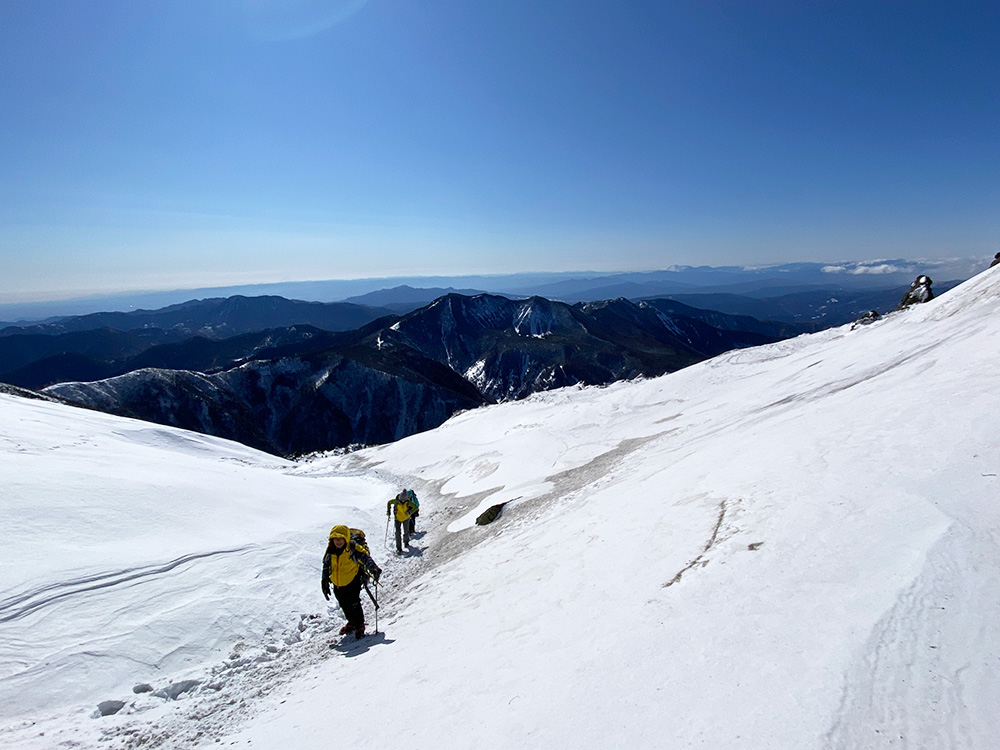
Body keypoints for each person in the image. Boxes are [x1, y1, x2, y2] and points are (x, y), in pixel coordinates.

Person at [321, 525, 382, 639]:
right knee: (343, 602)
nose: (338, 542)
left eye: (340, 539)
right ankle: (352, 622)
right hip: (337, 582)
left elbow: (365, 558)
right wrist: (324, 580)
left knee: (354, 602)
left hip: (352, 580)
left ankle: (359, 624)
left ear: (346, 539)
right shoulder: (330, 551)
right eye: (335, 539)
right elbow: (326, 565)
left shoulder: (353, 548)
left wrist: (373, 568)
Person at [387, 490, 415, 554]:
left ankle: (406, 542)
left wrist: (410, 512)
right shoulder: (396, 501)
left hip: (405, 518)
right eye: (401, 500)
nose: (402, 501)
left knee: (406, 531)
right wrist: (388, 511)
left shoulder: (408, 502)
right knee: (398, 533)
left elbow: (415, 507)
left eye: (403, 500)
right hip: (398, 518)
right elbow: (389, 502)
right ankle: (399, 548)